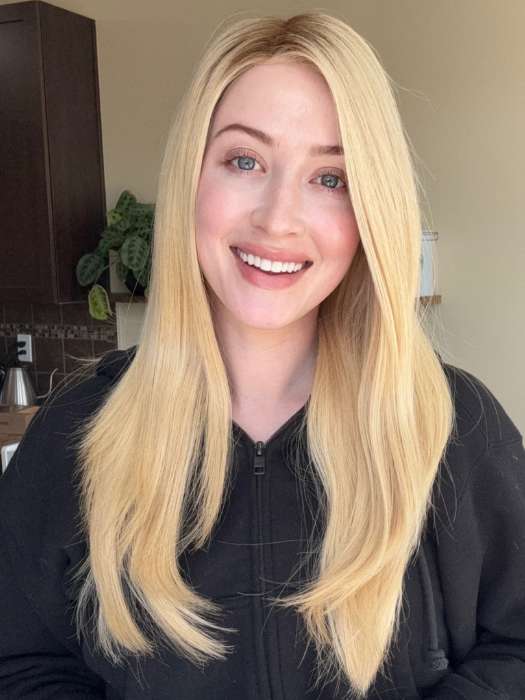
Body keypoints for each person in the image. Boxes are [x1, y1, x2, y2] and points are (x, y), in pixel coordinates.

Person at [1, 10, 524, 700]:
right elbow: (24, 664)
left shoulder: (456, 428)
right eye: (244, 161)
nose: (277, 219)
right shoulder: (76, 431)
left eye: (330, 178)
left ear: (371, 211)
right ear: (192, 178)